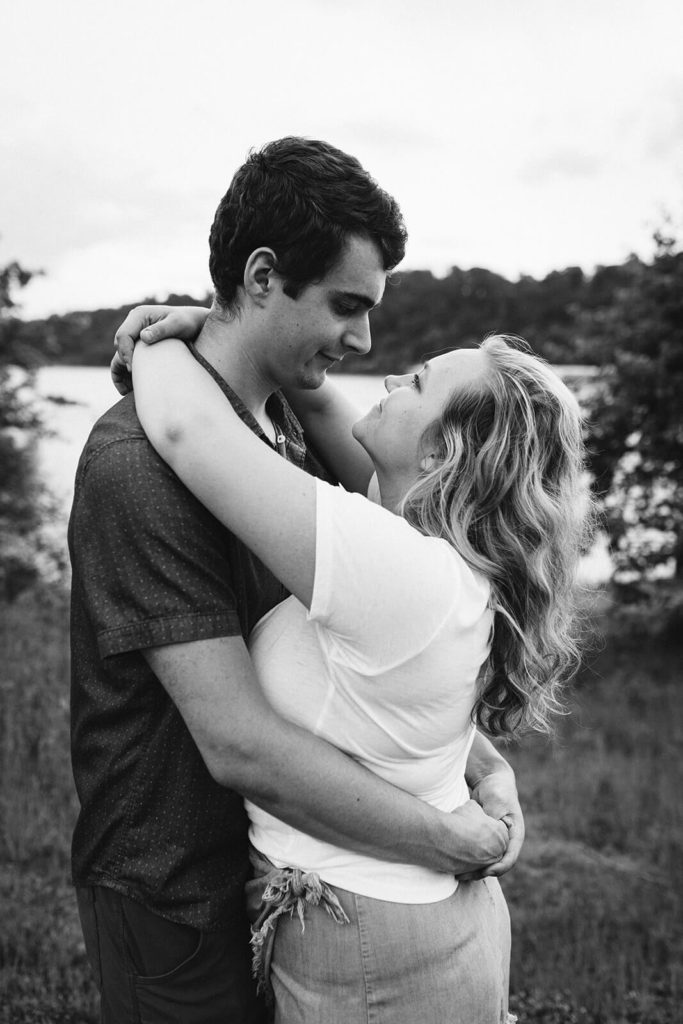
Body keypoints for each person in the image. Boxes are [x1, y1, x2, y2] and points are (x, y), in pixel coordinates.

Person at [70, 137, 523, 1024]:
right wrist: (449, 834)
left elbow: (386, 655)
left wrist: (483, 764)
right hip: (174, 882)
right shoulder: (135, 465)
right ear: (266, 274)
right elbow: (238, 741)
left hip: (288, 872)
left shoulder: (301, 436)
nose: (364, 341)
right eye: (347, 306)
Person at [125, 324, 589, 1023]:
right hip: (421, 921)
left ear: (438, 450)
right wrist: (227, 329)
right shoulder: (443, 558)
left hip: (373, 948)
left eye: (419, 381)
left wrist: (153, 339)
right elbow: (317, 405)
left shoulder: (401, 572)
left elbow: (186, 430)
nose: (391, 380)